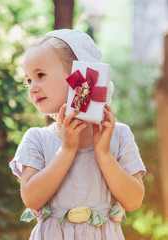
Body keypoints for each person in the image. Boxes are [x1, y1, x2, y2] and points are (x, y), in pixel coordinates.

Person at [9, 29, 146, 239]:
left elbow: (134, 200)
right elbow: (32, 199)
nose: (33, 88)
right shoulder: (36, 139)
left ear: (80, 75)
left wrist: (104, 154)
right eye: (28, 80)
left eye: (40, 75)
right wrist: (67, 149)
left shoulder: (118, 135)